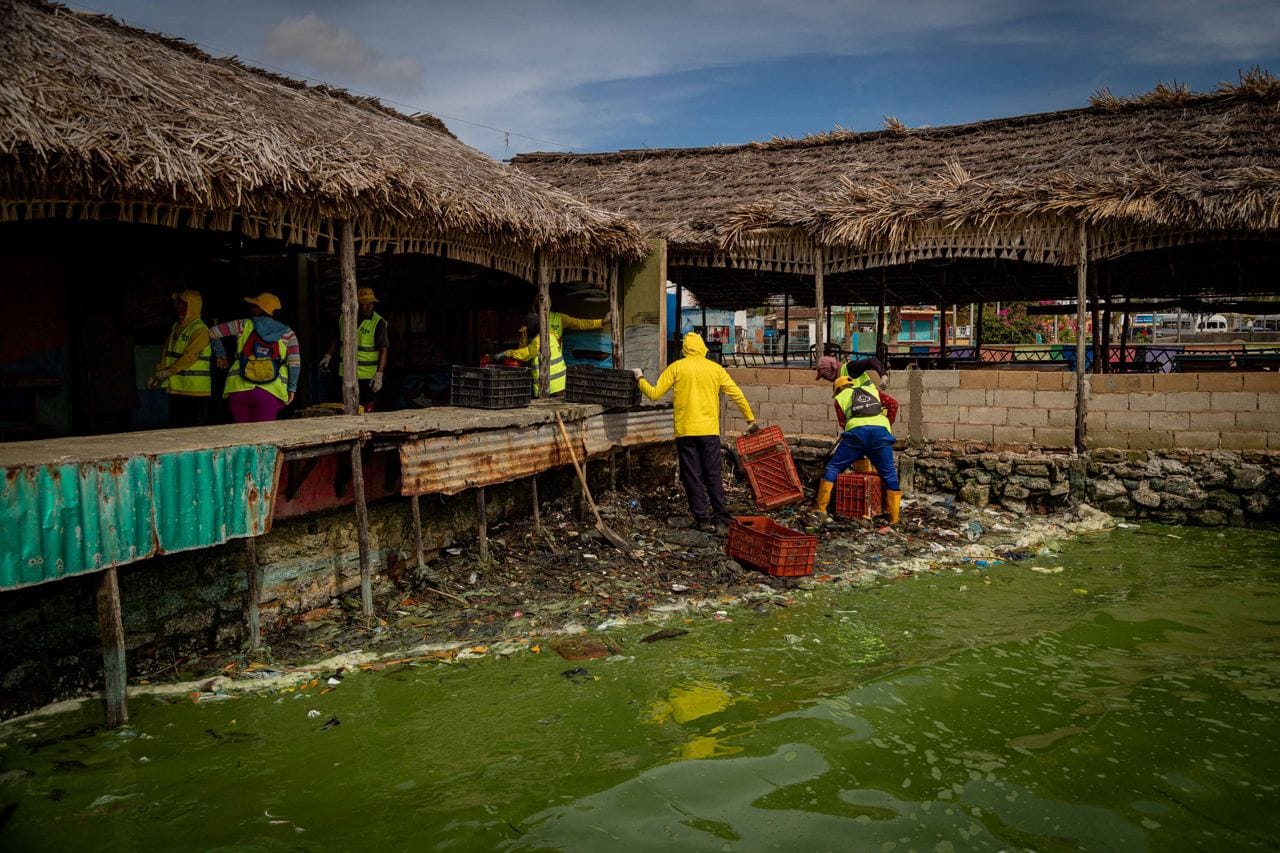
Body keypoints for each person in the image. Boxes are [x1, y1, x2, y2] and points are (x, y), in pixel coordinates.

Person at [634, 331, 759, 534]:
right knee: (713, 475)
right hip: (709, 432)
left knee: (692, 476)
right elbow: (736, 393)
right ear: (702, 348)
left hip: (686, 432)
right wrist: (750, 419)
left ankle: (702, 520)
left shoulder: (676, 368)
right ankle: (722, 519)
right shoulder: (715, 369)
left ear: (685, 349)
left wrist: (639, 378)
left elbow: (655, 394)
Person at [815, 365, 902, 524]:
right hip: (881, 435)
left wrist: (854, 431)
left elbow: (843, 422)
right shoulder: (872, 391)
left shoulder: (839, 398)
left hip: (856, 434)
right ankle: (894, 518)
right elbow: (893, 404)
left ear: (838, 389)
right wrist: (886, 425)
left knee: (833, 468)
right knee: (889, 473)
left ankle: (820, 509)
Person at [209, 292, 301, 423]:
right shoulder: (288, 333)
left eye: (255, 306)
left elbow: (213, 332)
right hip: (270, 391)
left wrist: (221, 354)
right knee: (263, 437)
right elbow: (295, 364)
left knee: (244, 437)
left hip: (239, 389)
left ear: (262, 309)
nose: (252, 309)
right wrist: (292, 388)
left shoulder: (243, 325)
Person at [147, 290, 211, 427]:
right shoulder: (177, 326)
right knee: (176, 431)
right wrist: (158, 374)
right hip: (177, 388)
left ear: (193, 307)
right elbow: (166, 351)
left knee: (193, 434)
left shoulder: (199, 329)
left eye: (184, 305)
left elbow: (190, 356)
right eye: (179, 304)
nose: (179, 308)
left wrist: (166, 372)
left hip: (195, 391)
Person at [319, 287, 388, 412]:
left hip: (367, 376)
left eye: (370, 304)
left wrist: (379, 374)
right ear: (357, 304)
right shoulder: (344, 318)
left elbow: (383, 350)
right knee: (345, 409)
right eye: (363, 304)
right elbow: (336, 340)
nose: (367, 308)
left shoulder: (378, 323)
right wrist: (328, 355)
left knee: (367, 410)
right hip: (345, 373)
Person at [499, 314, 566, 395]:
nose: (527, 333)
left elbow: (527, 353)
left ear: (533, 328)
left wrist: (508, 353)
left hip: (550, 385)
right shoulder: (552, 336)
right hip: (560, 382)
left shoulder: (539, 340)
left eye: (528, 330)